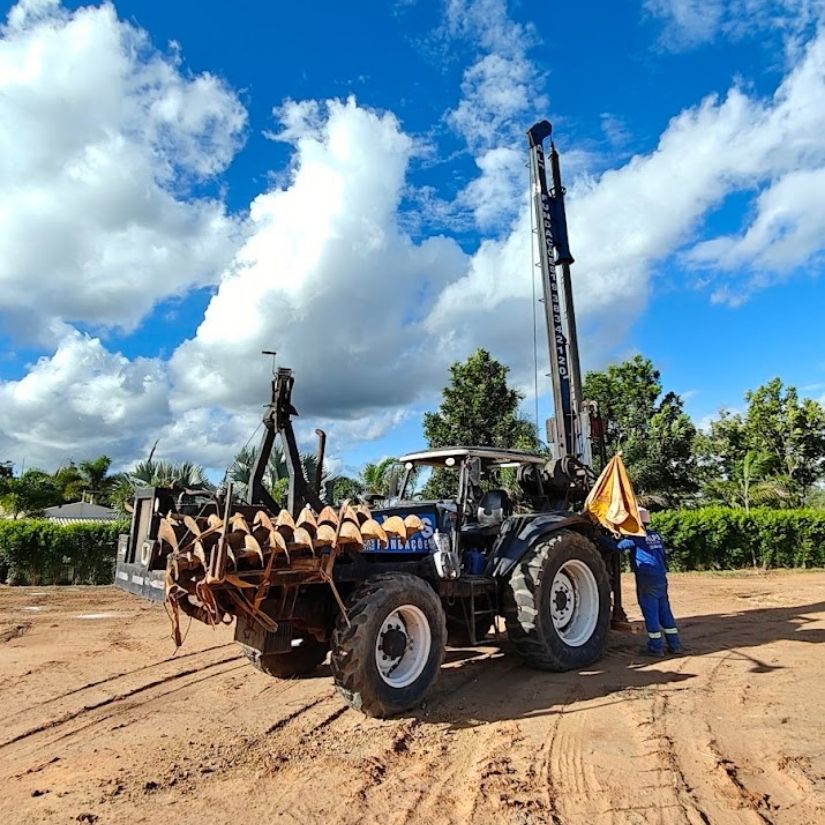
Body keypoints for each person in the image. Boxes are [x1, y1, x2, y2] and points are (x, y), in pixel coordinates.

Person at [618, 508, 682, 656]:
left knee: (650, 612)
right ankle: (675, 645)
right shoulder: (656, 536)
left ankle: (655, 648)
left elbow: (616, 548)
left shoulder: (635, 537)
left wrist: (600, 539)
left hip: (646, 578)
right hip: (660, 576)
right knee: (664, 611)